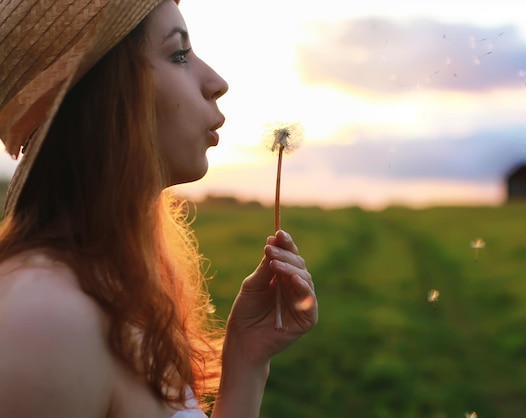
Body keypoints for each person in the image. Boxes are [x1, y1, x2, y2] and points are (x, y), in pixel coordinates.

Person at [0, 1, 318, 417]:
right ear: (109, 91)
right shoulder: (45, 317)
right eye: (178, 54)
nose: (217, 82)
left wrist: (247, 358)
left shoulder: (112, 283)